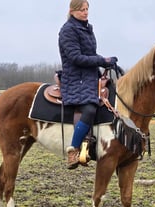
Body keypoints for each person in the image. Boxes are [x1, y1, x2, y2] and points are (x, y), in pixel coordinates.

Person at [58, 0, 118, 169]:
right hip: (76, 78)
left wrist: (107, 62)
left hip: (89, 75)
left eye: (86, 9)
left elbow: (90, 54)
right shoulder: (67, 30)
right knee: (90, 108)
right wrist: (102, 60)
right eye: (82, 10)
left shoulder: (86, 28)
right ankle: (73, 150)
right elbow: (76, 57)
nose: (85, 13)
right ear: (72, 11)